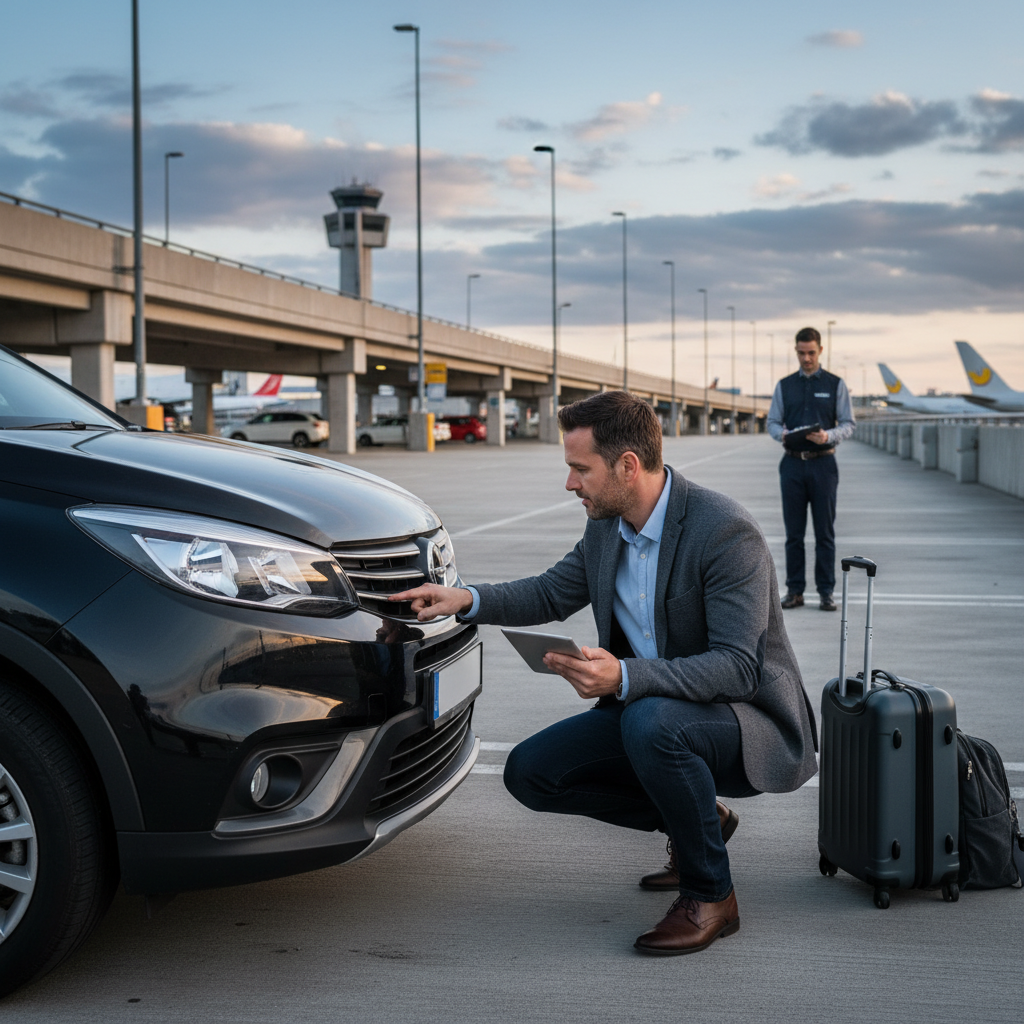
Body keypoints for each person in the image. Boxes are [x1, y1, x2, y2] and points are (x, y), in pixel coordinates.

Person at [392, 390, 818, 957]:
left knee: (650, 722)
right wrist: (461, 597)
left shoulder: (724, 531)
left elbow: (739, 668)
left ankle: (711, 894)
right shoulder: (606, 526)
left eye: (578, 469)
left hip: (745, 721)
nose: (570, 484)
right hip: (654, 711)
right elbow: (549, 591)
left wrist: (623, 678)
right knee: (531, 772)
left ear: (627, 466)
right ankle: (699, 821)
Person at [767, 327, 855, 612]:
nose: (806, 358)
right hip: (792, 463)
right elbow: (772, 423)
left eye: (811, 352)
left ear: (820, 350)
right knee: (793, 533)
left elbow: (848, 423)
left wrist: (828, 436)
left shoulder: (835, 384)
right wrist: (782, 434)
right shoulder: (784, 385)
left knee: (824, 532)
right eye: (802, 353)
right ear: (796, 351)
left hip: (824, 464)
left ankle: (826, 592)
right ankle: (795, 591)